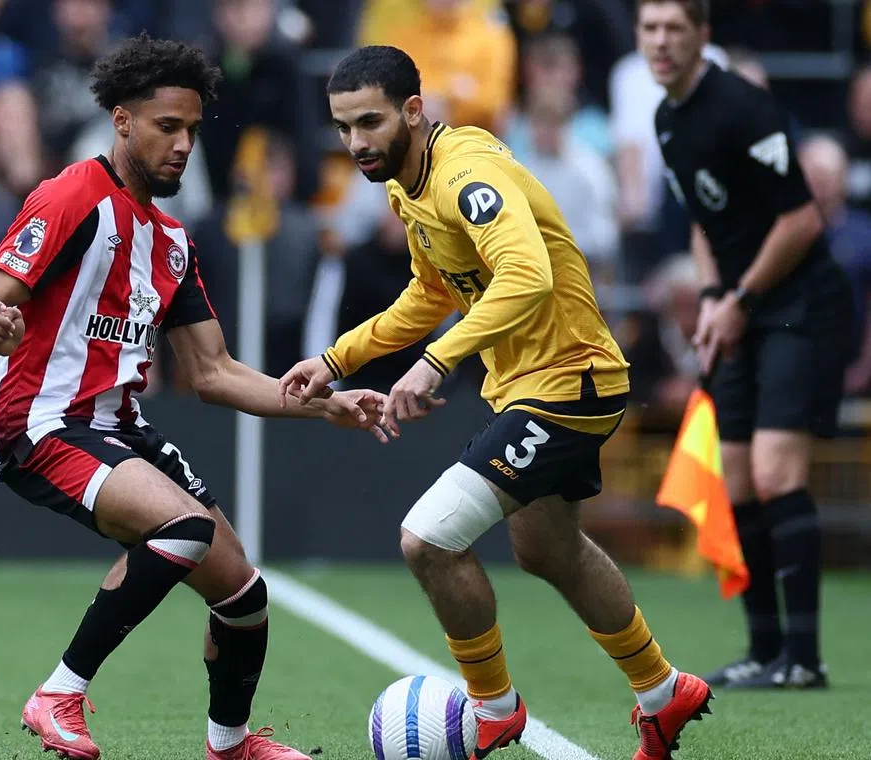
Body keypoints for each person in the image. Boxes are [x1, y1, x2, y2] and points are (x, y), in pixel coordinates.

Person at [0, 34, 387, 760]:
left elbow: (214, 372)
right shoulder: (71, 196)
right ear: (122, 121)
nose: (184, 145)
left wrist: (324, 402)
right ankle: (59, 692)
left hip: (120, 428)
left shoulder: (172, 240)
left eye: (192, 129)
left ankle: (230, 744)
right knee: (184, 530)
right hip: (39, 422)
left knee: (243, 597)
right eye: (168, 127)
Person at [279, 45, 711, 760]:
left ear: (414, 112)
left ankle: (493, 708)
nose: (355, 142)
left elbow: (527, 276)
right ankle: (664, 693)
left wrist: (435, 363)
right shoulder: (405, 183)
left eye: (370, 122)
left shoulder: (467, 175)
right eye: (343, 127)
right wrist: (336, 358)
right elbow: (430, 292)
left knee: (428, 538)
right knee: (551, 551)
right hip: (531, 386)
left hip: (571, 381)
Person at [641, 0, 854, 689]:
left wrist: (740, 300)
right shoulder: (667, 119)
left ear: (704, 36)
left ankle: (807, 659)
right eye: (650, 28)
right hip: (740, 308)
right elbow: (706, 223)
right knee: (735, 479)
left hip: (797, 304)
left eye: (676, 27)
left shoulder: (742, 106)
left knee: (775, 473)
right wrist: (710, 298)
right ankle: (765, 652)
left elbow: (799, 221)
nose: (661, 40)